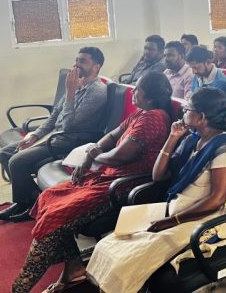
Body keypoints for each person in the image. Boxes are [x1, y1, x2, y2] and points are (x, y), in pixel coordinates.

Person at [11, 72, 173, 293]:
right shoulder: (141, 113)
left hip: (123, 185)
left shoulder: (154, 118)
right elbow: (112, 136)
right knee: (49, 197)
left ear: (150, 96)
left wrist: (96, 156)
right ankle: (74, 269)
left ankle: (20, 287)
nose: (133, 92)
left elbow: (121, 155)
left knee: (55, 216)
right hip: (107, 176)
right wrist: (90, 155)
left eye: (138, 89)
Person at [86, 87, 226, 293]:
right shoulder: (193, 140)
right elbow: (158, 175)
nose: (183, 112)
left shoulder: (225, 149)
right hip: (178, 210)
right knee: (109, 245)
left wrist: (171, 221)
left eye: (187, 109)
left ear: (201, 117)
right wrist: (172, 138)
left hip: (208, 221)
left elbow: (217, 200)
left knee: (129, 259)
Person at [0, 47, 108, 223]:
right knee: (4, 153)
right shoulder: (76, 85)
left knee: (16, 161)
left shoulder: (97, 91)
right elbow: (54, 115)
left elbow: (69, 126)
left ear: (96, 66)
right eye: (76, 60)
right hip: (55, 136)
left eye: (82, 61)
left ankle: (27, 203)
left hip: (70, 141)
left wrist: (70, 93)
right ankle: (31, 200)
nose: (76, 65)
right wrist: (35, 135)